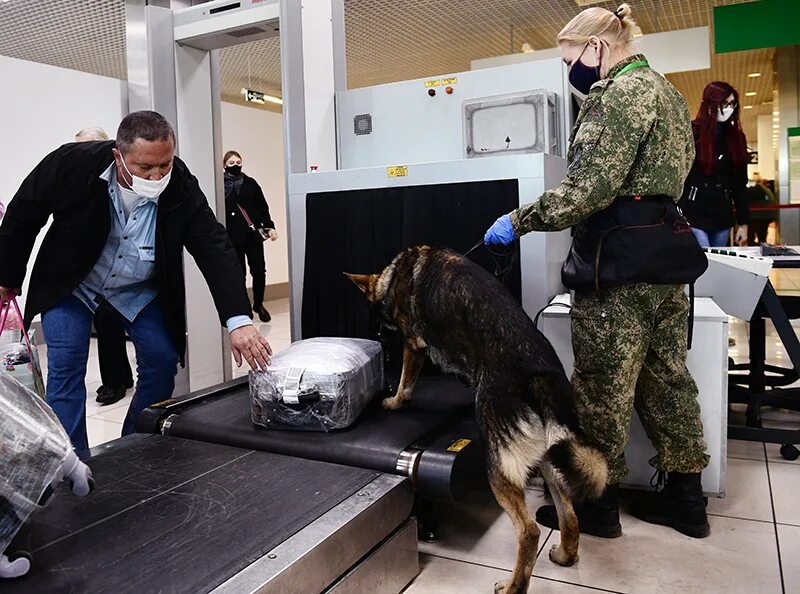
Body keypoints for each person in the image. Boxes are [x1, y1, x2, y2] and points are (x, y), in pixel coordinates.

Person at [484, 3, 710, 538]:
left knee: (604, 388)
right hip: (667, 259)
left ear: (597, 47)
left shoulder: (618, 97)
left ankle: (597, 506)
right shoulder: (668, 92)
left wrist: (519, 220)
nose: (573, 71)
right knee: (667, 380)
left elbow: (589, 189)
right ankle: (686, 499)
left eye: (570, 57)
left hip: (620, 264)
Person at [0, 111, 272, 452]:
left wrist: (238, 319)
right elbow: (24, 213)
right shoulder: (72, 164)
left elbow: (213, 245)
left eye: (165, 164)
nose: (157, 175)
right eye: (145, 168)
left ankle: (130, 450)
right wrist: (6, 277)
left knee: (162, 363)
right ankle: (72, 468)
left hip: (137, 288)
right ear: (118, 155)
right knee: (66, 367)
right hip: (74, 284)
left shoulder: (181, 183)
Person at [74, 127, 135, 406]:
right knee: (105, 324)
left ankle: (116, 381)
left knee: (111, 324)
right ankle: (117, 378)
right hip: (92, 271)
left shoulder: (122, 180)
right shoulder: (74, 181)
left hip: (123, 268)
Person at [678, 81, 750, 248]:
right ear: (711, 103)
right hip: (693, 212)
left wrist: (743, 224)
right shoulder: (692, 132)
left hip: (722, 215)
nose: (728, 108)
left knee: (718, 263)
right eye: (724, 103)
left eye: (732, 104)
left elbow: (740, 185)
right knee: (706, 260)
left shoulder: (736, 138)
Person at [223, 150, 278, 323]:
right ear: (224, 165)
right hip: (232, 236)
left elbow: (263, 207)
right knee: (239, 274)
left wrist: (270, 227)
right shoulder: (219, 186)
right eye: (231, 163)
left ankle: (259, 304)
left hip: (252, 235)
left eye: (238, 162)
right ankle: (244, 307)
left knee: (259, 271)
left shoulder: (251, 183)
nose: (236, 165)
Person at [746, 173, 778, 245]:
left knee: (751, 237)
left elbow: (746, 202)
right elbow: (772, 201)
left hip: (753, 217)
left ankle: (752, 251)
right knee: (762, 237)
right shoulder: (767, 190)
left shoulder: (751, 189)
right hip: (766, 217)